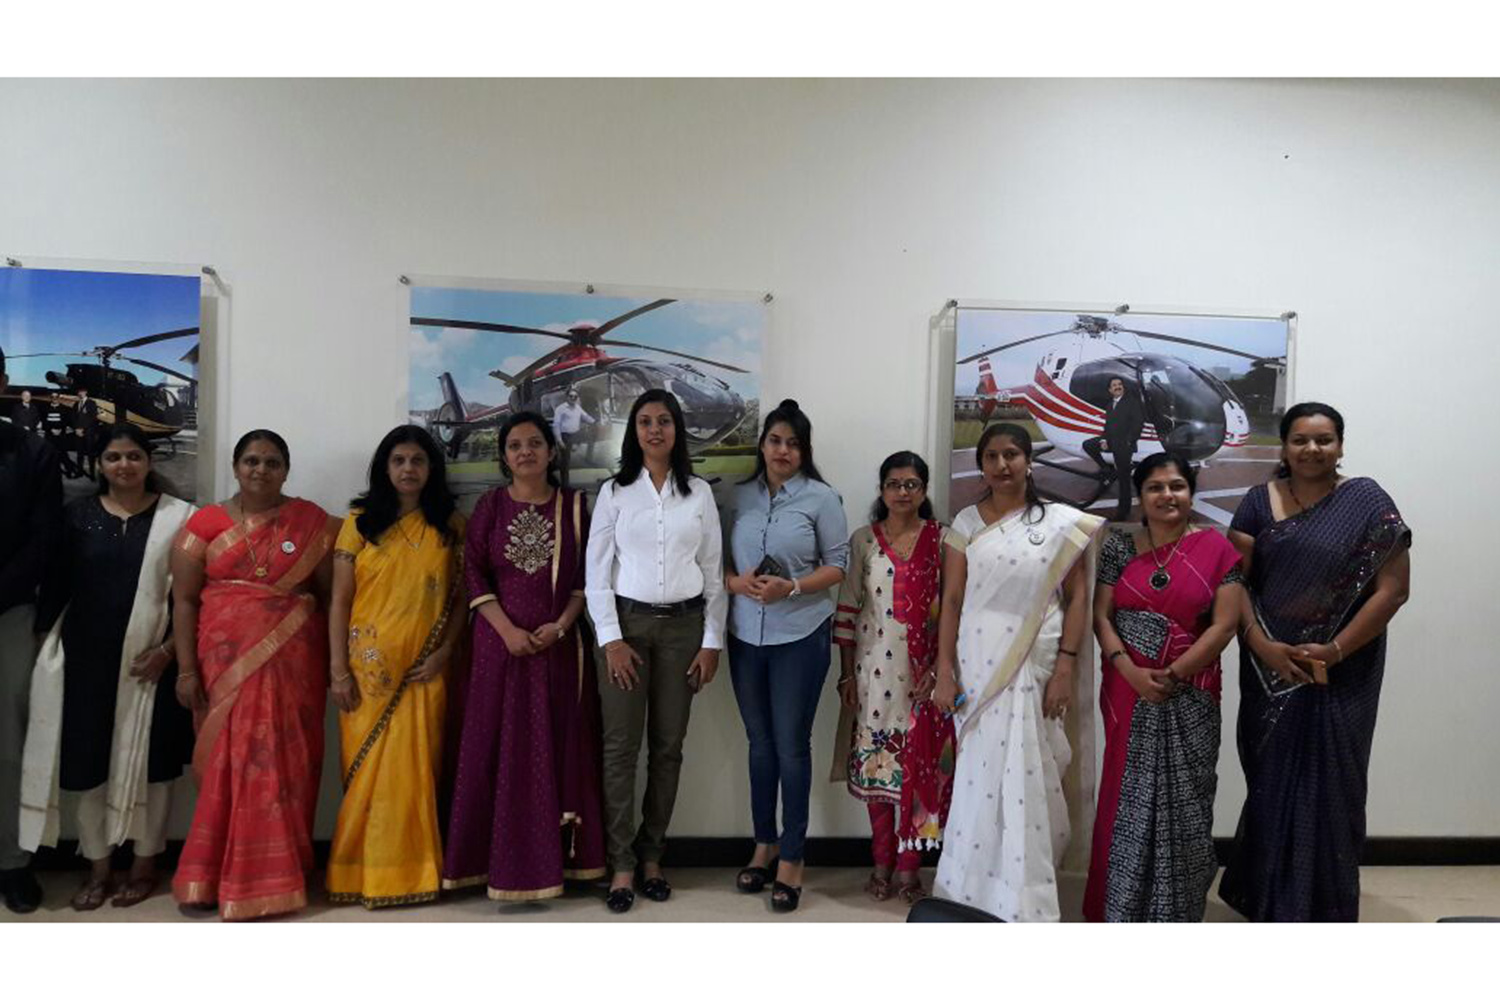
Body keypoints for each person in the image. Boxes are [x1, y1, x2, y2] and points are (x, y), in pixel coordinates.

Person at [1218, 402, 1411, 922]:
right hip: (1270, 670)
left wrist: (1337, 648)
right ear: (1284, 447)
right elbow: (1234, 584)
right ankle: (1268, 899)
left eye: (1324, 440)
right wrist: (1263, 647)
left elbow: (1392, 591)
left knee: (1335, 783)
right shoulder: (1257, 503)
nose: (1312, 449)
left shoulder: (1367, 501)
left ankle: (1324, 903)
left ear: (1341, 446)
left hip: (1345, 670)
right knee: (1272, 779)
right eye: (1300, 439)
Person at [932, 422, 1105, 922]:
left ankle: (1027, 890)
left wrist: (1066, 668)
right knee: (980, 772)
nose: (1002, 464)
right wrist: (945, 669)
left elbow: (1077, 599)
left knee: (1034, 765)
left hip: (1037, 656)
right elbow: (953, 599)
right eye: (992, 456)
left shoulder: (1057, 523)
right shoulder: (966, 522)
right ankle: (971, 888)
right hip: (977, 658)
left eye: (1012, 454)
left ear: (1029, 460)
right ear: (981, 464)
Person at [20, 424, 196, 910]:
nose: (124, 465)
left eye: (134, 456)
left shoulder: (179, 519)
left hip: (154, 664)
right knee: (87, 767)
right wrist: (43, 653)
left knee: (155, 767)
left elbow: (194, 597)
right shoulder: (77, 517)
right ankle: (98, 867)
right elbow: (56, 588)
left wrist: (169, 652)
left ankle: (144, 863)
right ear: (100, 464)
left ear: (148, 461)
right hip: (87, 665)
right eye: (114, 457)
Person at [170, 429, 339, 920]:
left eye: (271, 462)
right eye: (251, 461)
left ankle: (278, 875)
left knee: (284, 765)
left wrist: (334, 665)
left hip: (295, 665)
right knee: (226, 763)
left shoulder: (313, 523)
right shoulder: (204, 524)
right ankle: (211, 875)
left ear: (286, 469)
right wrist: (184, 669)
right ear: (236, 467)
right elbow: (183, 600)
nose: (260, 470)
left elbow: (328, 599)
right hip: (221, 663)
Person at [443, 411, 605, 901]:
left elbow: (586, 580)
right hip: (498, 649)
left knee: (559, 747)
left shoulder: (576, 507)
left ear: (552, 453)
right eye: (515, 446)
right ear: (504, 457)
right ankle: (486, 863)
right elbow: (473, 574)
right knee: (495, 747)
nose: (526, 452)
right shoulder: (490, 507)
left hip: (559, 648)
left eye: (535, 443)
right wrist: (508, 631)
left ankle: (565, 863)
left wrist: (560, 625)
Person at [1083, 452, 1242, 922]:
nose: (1167, 495)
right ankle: (1123, 906)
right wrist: (1129, 671)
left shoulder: (1218, 550)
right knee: (1124, 796)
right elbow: (1100, 616)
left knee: (1187, 803)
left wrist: (1174, 674)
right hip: (1126, 690)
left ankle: (1175, 910)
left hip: (1190, 694)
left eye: (1176, 485)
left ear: (1190, 492)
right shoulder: (1118, 546)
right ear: (1141, 495)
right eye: (1155, 487)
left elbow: (1225, 625)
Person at [586, 389, 726, 913]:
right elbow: (595, 572)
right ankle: (621, 862)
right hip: (626, 628)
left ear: (676, 429)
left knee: (668, 747)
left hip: (684, 630)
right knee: (621, 749)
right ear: (633, 431)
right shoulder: (614, 492)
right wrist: (611, 640)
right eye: (644, 422)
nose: (654, 430)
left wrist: (711, 642)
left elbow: (714, 574)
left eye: (663, 421)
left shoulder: (700, 494)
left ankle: (651, 857)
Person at [325, 425, 465, 909]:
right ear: (385, 467)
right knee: (366, 777)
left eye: (418, 461)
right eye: (399, 460)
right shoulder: (360, 520)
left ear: (432, 469)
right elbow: (340, 601)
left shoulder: (450, 525)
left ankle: (413, 872)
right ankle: (356, 872)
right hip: (367, 676)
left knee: (416, 773)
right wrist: (337, 670)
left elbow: (462, 602)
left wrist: (444, 652)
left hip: (425, 672)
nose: (409, 469)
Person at [724, 399, 849, 913]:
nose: (782, 450)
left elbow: (838, 565)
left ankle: (793, 856)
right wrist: (736, 583)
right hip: (745, 637)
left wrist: (792, 587)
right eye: (775, 440)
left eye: (793, 443)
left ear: (804, 451)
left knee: (792, 748)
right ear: (762, 445)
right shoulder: (737, 498)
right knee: (759, 745)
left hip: (800, 634)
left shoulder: (822, 499)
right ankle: (764, 844)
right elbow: (716, 564)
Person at [831, 451, 958, 905]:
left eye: (912, 484)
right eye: (894, 484)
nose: (902, 492)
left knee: (921, 775)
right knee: (880, 776)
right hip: (872, 676)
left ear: (923, 492)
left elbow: (953, 609)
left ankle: (910, 867)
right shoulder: (864, 540)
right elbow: (847, 610)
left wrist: (943, 670)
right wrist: (846, 677)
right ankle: (881, 860)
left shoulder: (944, 540)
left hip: (924, 678)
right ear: (881, 490)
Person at [0, 345, 64, 914]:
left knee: (7, 744)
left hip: (8, 613)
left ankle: (11, 863)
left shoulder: (31, 452)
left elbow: (42, 540)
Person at [1082, 376, 1146, 521]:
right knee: (1088, 445)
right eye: (1114, 385)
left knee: (1123, 479)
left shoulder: (1132, 402)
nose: (1118, 387)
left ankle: (1123, 511)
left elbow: (1138, 423)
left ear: (1123, 387)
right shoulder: (1110, 405)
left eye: (1120, 384)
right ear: (1110, 390)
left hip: (1124, 443)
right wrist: (1104, 439)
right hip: (1111, 440)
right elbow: (1108, 426)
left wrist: (1130, 441)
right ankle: (1106, 467)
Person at [551, 388, 596, 487]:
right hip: (565, 436)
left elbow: (586, 416)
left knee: (591, 436)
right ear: (567, 397)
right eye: (571, 396)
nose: (573, 398)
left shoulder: (578, 408)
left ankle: (587, 456)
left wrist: (594, 421)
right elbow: (556, 425)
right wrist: (559, 440)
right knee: (565, 461)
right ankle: (565, 485)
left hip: (576, 434)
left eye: (575, 397)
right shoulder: (560, 409)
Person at [74, 387, 100, 479]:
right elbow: (74, 418)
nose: (80, 393)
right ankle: (79, 472)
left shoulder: (91, 403)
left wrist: (83, 429)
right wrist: (76, 429)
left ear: (86, 392)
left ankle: (92, 474)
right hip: (78, 432)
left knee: (90, 454)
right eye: (79, 391)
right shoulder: (77, 404)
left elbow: (93, 418)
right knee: (79, 454)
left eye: (82, 391)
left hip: (88, 432)